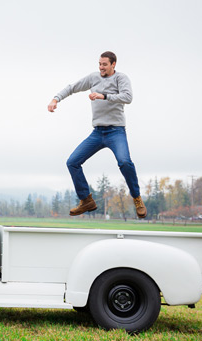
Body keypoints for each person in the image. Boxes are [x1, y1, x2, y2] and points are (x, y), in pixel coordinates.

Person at [48, 51, 146, 218]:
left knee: (124, 162)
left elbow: (128, 97)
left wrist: (103, 95)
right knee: (72, 162)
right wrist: (56, 99)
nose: (101, 67)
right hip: (98, 132)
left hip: (116, 131)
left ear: (113, 64)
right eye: (99, 64)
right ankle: (86, 200)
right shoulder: (93, 78)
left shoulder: (120, 78)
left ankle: (136, 197)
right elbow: (72, 87)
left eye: (105, 65)